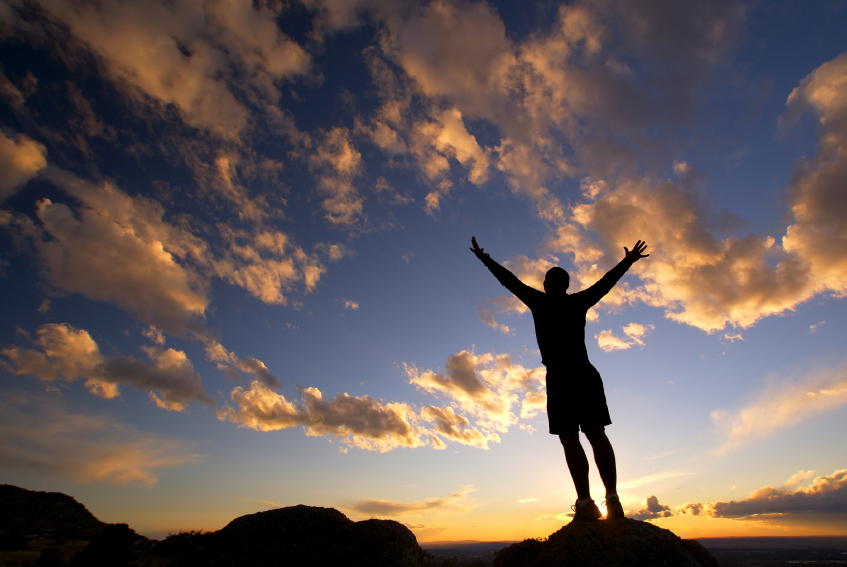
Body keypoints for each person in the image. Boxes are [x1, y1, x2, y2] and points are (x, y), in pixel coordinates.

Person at [470, 236, 649, 521]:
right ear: (567, 286)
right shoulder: (578, 302)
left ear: (545, 285)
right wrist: (626, 262)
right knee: (597, 434)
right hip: (585, 374)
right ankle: (612, 499)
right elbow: (605, 284)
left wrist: (485, 258)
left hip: (560, 377)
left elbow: (509, 281)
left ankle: (585, 502)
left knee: (569, 438)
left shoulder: (539, 303)